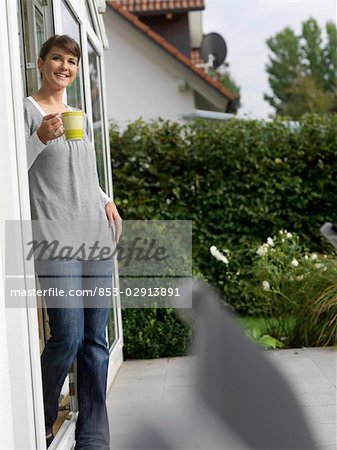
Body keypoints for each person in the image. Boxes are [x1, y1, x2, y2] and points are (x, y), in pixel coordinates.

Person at [24, 34, 122, 449]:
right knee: (67, 335)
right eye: (57, 59)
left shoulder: (76, 112)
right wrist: (39, 139)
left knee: (96, 341)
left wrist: (107, 200)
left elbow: (84, 173)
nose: (65, 66)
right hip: (55, 237)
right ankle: (42, 417)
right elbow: (11, 167)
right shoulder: (27, 111)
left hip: (94, 235)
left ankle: (94, 435)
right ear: (42, 63)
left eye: (72, 61)